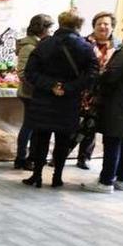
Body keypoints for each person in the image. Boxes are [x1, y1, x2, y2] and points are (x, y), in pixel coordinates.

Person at [23, 10, 99, 188]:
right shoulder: (86, 47)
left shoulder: (44, 45)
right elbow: (92, 74)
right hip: (69, 101)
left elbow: (30, 72)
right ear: (79, 25)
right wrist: (68, 87)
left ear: (59, 23)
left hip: (44, 99)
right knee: (63, 140)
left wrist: (52, 85)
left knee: (41, 138)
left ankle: (37, 175)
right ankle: (57, 177)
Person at [83, 13, 123, 193]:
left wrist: (100, 75)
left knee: (113, 141)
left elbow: (111, 75)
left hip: (119, 104)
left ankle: (106, 181)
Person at [76, 11, 121, 169]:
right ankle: (60, 155)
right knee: (74, 124)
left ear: (112, 27)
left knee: (91, 126)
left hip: (102, 93)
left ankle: (84, 158)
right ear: (93, 26)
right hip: (82, 90)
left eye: (106, 24)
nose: (102, 26)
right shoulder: (83, 42)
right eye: (99, 23)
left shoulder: (119, 47)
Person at [14, 14, 55, 170]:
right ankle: (21, 157)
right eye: (50, 28)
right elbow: (23, 73)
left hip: (34, 92)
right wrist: (40, 86)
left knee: (31, 126)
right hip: (29, 93)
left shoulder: (38, 45)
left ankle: (28, 157)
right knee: (29, 126)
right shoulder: (29, 47)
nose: (51, 31)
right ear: (42, 28)